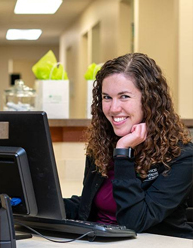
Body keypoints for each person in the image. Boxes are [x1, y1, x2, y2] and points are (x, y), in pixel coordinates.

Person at [64, 53, 193, 239]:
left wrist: (123, 154)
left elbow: (135, 222)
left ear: (150, 100)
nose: (113, 108)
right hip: (99, 240)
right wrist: (39, 203)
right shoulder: (101, 146)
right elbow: (89, 206)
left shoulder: (181, 156)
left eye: (124, 96)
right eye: (107, 97)